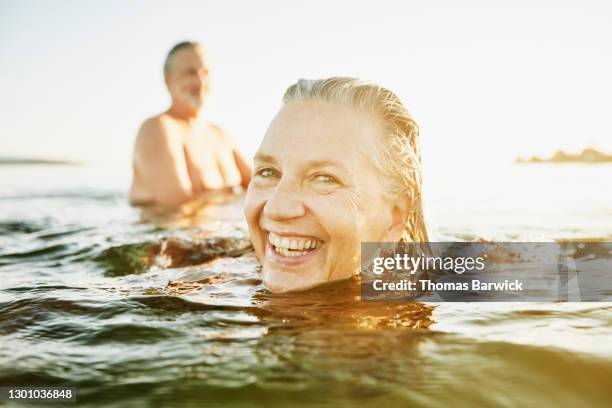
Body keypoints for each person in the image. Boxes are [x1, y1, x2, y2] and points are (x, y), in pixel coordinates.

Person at [244, 77, 428, 292]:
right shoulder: (208, 278)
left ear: (395, 217)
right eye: (268, 172)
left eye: (324, 178)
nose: (276, 209)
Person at [129, 41, 252, 207]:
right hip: (171, 231)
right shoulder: (158, 129)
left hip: (220, 228)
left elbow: (258, 188)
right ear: (168, 81)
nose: (200, 82)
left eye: (205, 72)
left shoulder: (220, 135)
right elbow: (178, 212)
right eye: (190, 73)